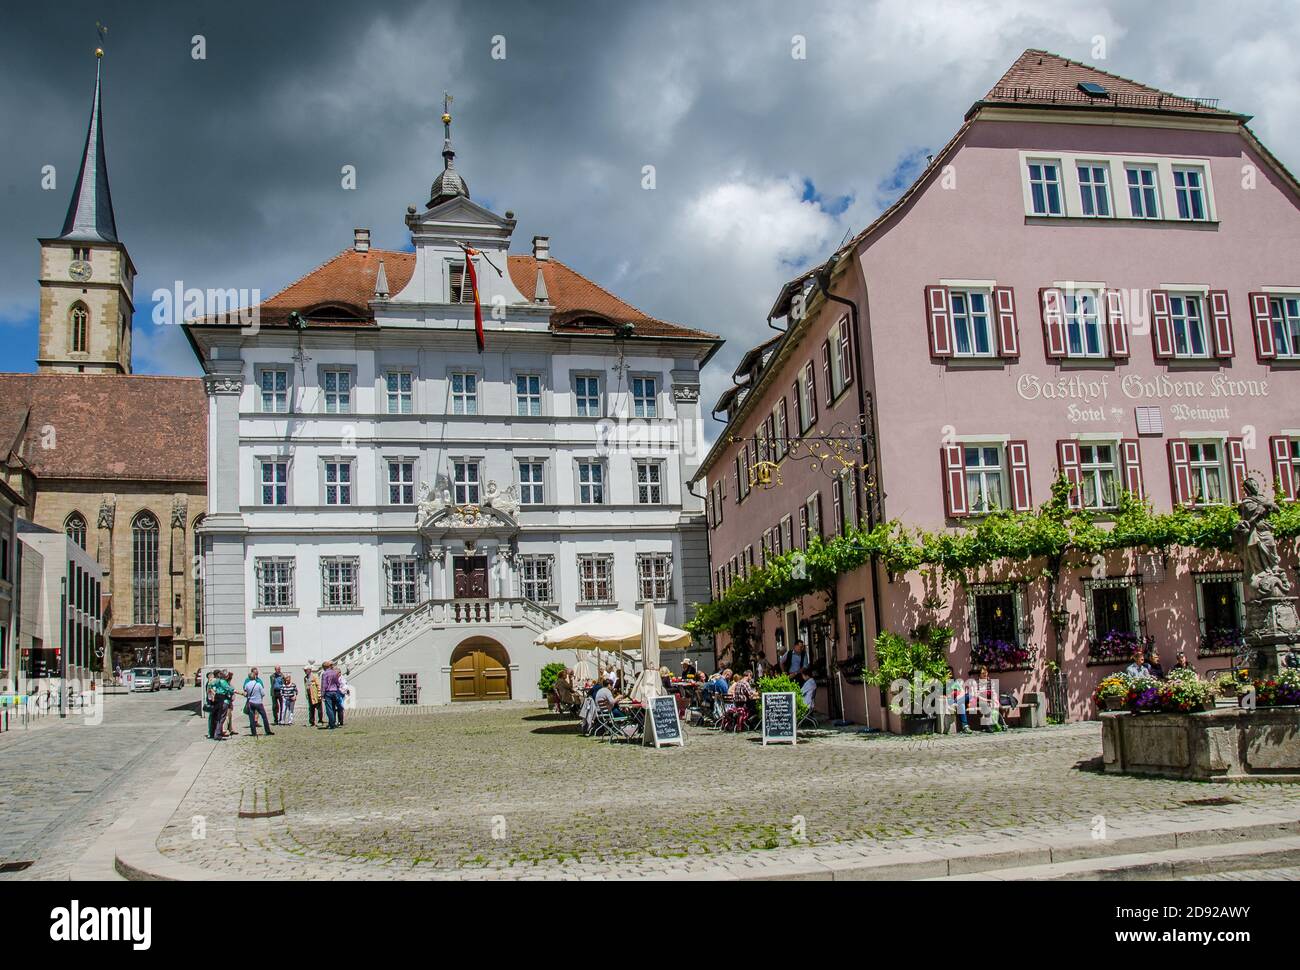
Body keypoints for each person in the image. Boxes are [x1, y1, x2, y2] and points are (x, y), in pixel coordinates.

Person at [243, 667, 274, 737]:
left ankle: (253, 733)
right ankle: (267, 730)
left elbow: (245, 693)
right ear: (254, 677)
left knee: (251, 718)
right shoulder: (258, 684)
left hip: (251, 703)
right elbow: (263, 693)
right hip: (258, 702)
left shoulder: (247, 685)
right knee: (264, 717)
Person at [320, 661, 343, 729]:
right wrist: (337, 688)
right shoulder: (335, 672)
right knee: (333, 708)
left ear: (324, 667)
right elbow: (337, 682)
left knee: (329, 709)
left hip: (328, 692)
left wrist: (322, 694)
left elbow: (324, 684)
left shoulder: (325, 673)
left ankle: (332, 724)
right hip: (335, 691)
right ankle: (333, 723)